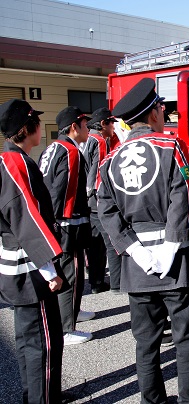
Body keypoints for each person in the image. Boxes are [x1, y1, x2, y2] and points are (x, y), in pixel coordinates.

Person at [97, 78, 189, 403]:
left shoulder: (109, 161)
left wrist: (138, 252)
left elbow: (106, 211)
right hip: (177, 264)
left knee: (146, 342)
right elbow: (184, 194)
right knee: (187, 338)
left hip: (137, 266)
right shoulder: (171, 147)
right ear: (154, 113)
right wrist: (170, 248)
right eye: (162, 108)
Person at [0, 99, 64, 403]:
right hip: (31, 269)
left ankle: (33, 397)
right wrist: (49, 268)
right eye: (36, 122)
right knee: (43, 344)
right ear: (27, 129)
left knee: (28, 341)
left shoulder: (9, 161)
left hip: (16, 266)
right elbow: (25, 216)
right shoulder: (16, 162)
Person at [38, 106, 94, 345]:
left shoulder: (52, 147)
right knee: (71, 273)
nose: (88, 128)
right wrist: (58, 223)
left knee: (73, 273)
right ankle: (65, 328)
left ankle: (73, 311)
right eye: (85, 124)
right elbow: (62, 193)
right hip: (67, 225)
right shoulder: (70, 151)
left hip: (58, 222)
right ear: (74, 126)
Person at [81, 107, 121, 294]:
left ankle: (96, 283)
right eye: (111, 122)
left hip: (86, 201)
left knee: (94, 244)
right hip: (97, 198)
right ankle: (117, 283)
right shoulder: (99, 141)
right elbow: (99, 170)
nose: (114, 126)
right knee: (112, 241)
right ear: (103, 124)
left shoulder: (87, 138)